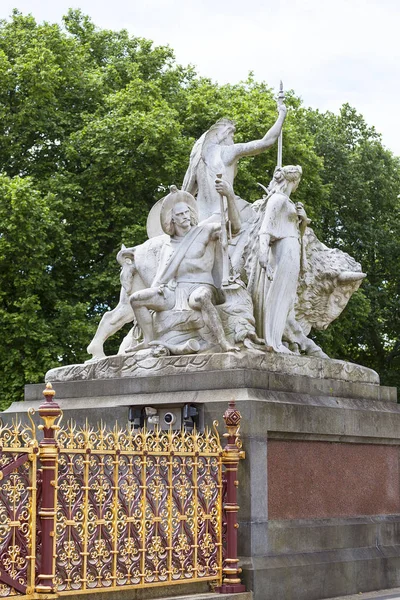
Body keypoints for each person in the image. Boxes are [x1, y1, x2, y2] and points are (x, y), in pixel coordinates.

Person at [127, 186, 238, 353]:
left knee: (201, 298)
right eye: (179, 214)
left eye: (186, 212)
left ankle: (223, 342)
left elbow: (234, 228)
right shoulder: (168, 245)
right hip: (174, 291)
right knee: (136, 299)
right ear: (172, 220)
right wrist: (159, 289)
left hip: (201, 286)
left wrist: (229, 196)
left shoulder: (205, 231)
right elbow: (162, 276)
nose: (185, 216)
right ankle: (149, 340)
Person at [182, 103, 287, 221]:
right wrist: (282, 115)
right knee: (261, 221)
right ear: (225, 136)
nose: (233, 140)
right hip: (224, 211)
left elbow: (185, 195)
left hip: (200, 215)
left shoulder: (197, 163)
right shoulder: (227, 152)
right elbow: (266, 142)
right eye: (232, 137)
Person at [246, 165, 308, 353]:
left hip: (291, 249)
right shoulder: (278, 199)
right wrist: (263, 253)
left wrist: (302, 221)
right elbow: (265, 228)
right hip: (282, 250)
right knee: (277, 295)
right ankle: (273, 341)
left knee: (286, 297)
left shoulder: (288, 202)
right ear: (293, 181)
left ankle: (277, 339)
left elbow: (298, 233)